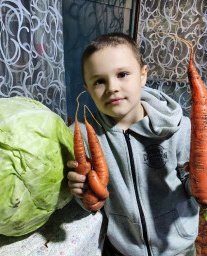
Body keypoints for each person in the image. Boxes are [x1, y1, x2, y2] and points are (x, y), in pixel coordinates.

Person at [67, 32, 199, 256]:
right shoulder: (81, 136)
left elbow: (194, 185)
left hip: (177, 248)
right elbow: (90, 201)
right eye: (99, 81)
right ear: (87, 89)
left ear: (143, 75)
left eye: (122, 74)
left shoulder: (179, 128)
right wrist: (81, 194)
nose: (112, 87)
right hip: (122, 249)